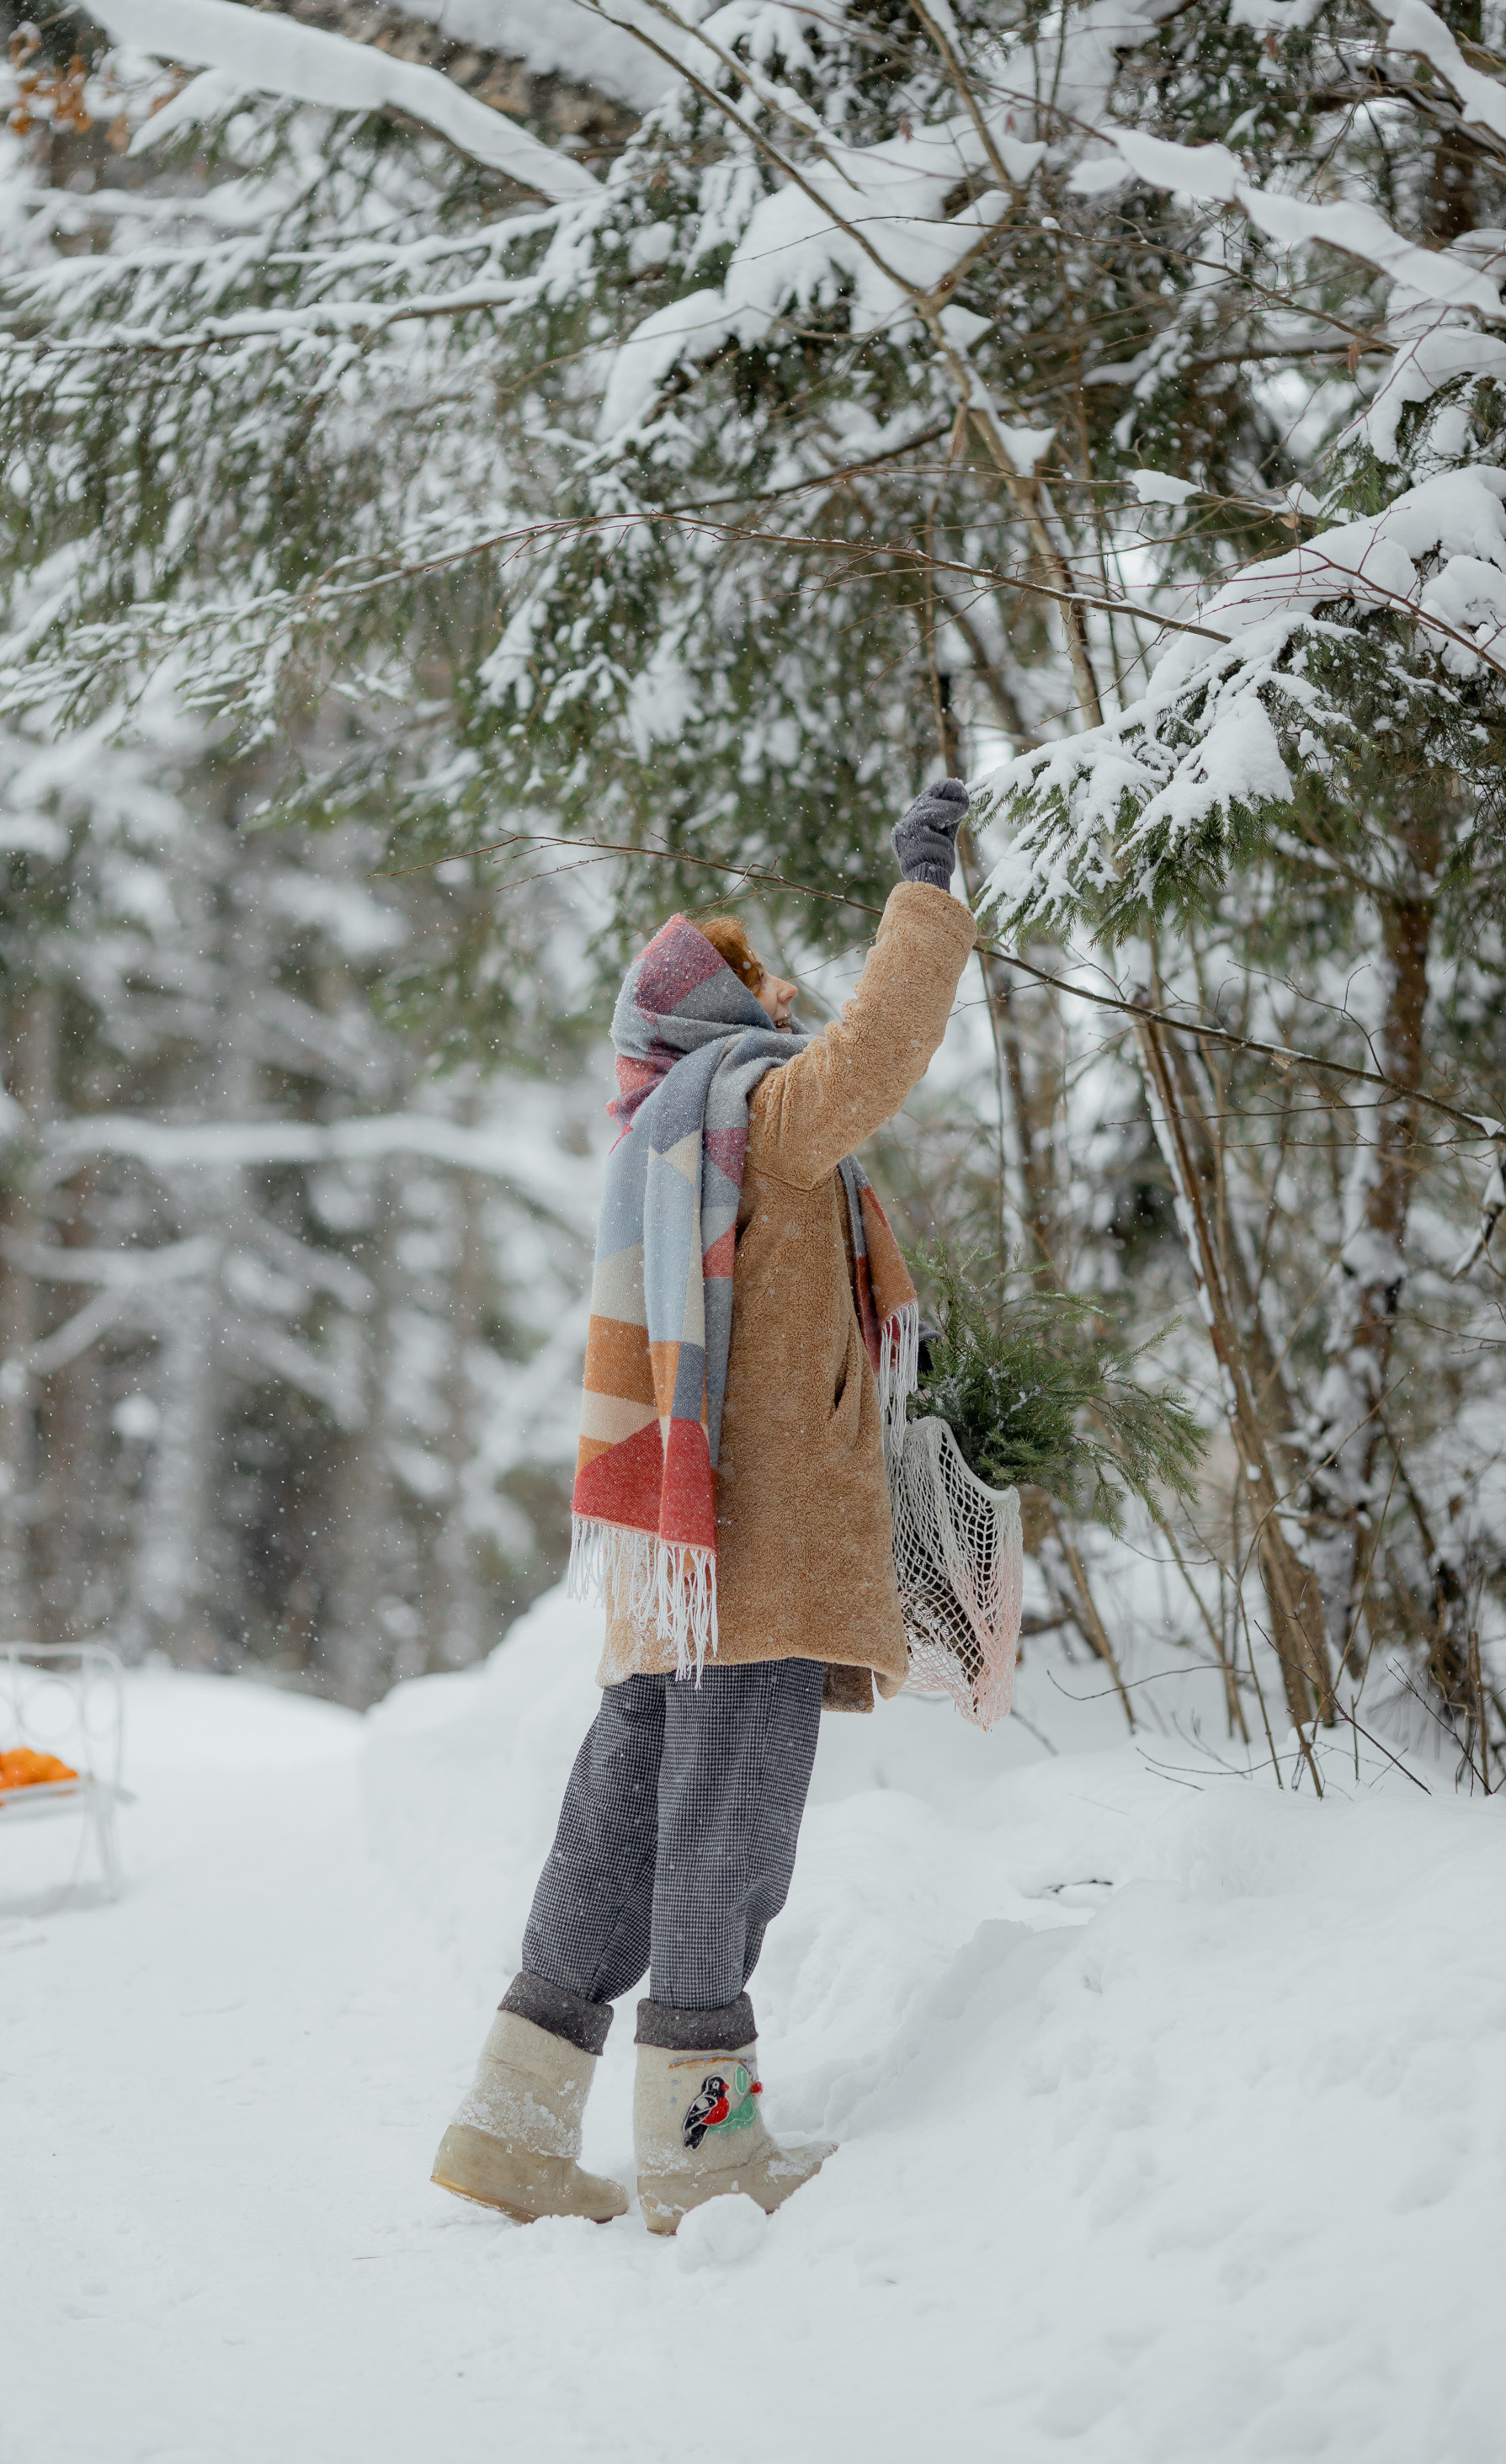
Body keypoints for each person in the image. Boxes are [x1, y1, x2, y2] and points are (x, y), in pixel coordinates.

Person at [430, 777, 977, 2234]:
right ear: (715, 1012)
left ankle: (510, 2127)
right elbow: (883, 1045)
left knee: (618, 1834)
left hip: (670, 1559)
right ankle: (701, 2148)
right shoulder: (759, 1115)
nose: (784, 992)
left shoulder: (661, 1145)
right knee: (728, 1837)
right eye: (759, 978)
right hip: (760, 1553)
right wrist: (924, 895)